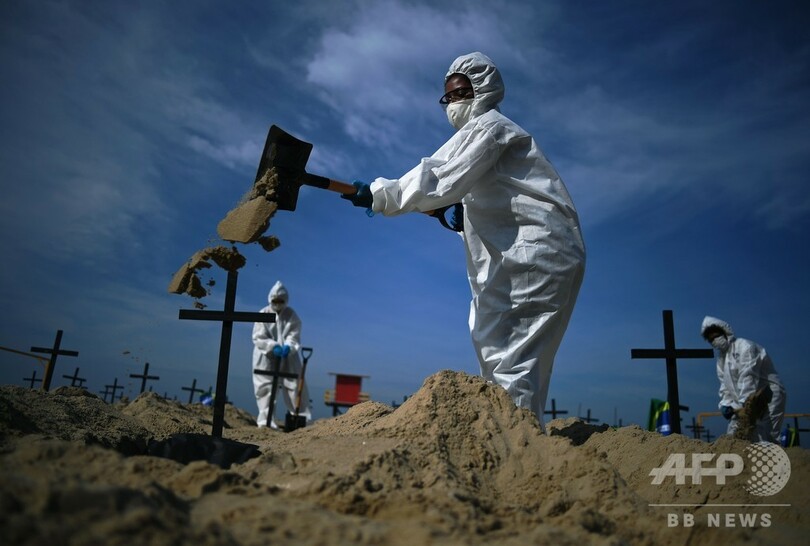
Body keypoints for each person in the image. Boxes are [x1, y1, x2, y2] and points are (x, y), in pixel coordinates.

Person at [342, 52, 586, 426]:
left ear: (483, 90)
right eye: (448, 97)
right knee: (493, 344)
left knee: (513, 356)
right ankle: (515, 434)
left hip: (534, 253)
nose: (454, 103)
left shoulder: (490, 128)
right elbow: (471, 191)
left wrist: (378, 194)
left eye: (461, 93)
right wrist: (460, 215)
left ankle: (518, 439)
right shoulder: (480, 136)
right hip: (514, 252)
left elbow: (438, 177)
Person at [701, 316, 786, 443]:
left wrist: (745, 405)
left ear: (725, 332)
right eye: (711, 339)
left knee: (767, 434)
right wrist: (726, 404)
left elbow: (748, 378)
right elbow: (725, 386)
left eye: (716, 336)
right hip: (742, 402)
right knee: (733, 436)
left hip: (767, 396)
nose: (715, 341)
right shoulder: (721, 359)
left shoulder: (745, 347)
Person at [252, 281, 312, 428]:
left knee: (294, 385)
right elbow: (258, 336)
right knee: (264, 388)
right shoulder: (263, 314)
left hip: (288, 356)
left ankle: (300, 418)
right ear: (270, 299)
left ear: (285, 300)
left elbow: (294, 335)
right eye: (275, 301)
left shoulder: (291, 315)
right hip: (265, 357)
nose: (278, 304)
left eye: (281, 301)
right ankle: (265, 421)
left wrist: (289, 347)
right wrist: (272, 346)